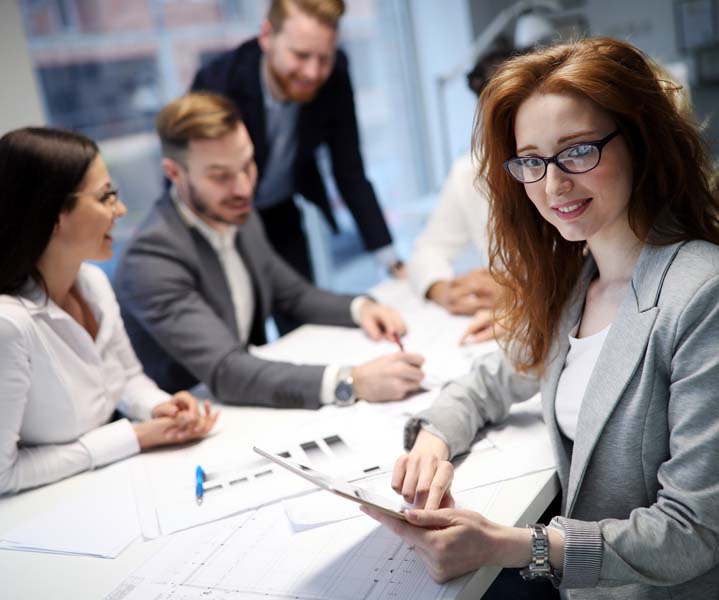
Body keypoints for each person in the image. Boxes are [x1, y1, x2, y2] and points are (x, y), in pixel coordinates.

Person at [361, 38, 719, 599]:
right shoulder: (581, 278)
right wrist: (433, 441)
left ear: (640, 143)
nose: (553, 185)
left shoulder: (708, 293)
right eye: (531, 160)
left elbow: (691, 533)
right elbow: (492, 379)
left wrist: (513, 545)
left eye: (578, 151)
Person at [114, 92, 425, 410]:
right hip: (187, 424)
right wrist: (350, 381)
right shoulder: (152, 258)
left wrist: (360, 308)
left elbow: (294, 295)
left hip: (242, 409)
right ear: (174, 173)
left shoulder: (237, 215)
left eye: (248, 165)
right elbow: (226, 370)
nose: (244, 188)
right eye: (220, 176)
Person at [0, 127, 218, 496]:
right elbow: (3, 475)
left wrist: (161, 409)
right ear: (54, 215)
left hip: (109, 488)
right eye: (105, 198)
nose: (120, 210)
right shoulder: (10, 326)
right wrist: (133, 437)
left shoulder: (93, 283)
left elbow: (126, 377)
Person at [190, 0, 404, 294]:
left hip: (281, 211)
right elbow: (191, 178)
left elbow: (350, 172)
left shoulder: (335, 78)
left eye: (323, 59)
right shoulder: (219, 83)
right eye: (300, 55)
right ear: (267, 36)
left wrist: (392, 261)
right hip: (221, 219)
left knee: (302, 307)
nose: (312, 73)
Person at [407, 47, 515, 345]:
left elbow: (592, 270)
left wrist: (516, 292)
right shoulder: (469, 171)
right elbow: (427, 250)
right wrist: (443, 289)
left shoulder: (560, 173)